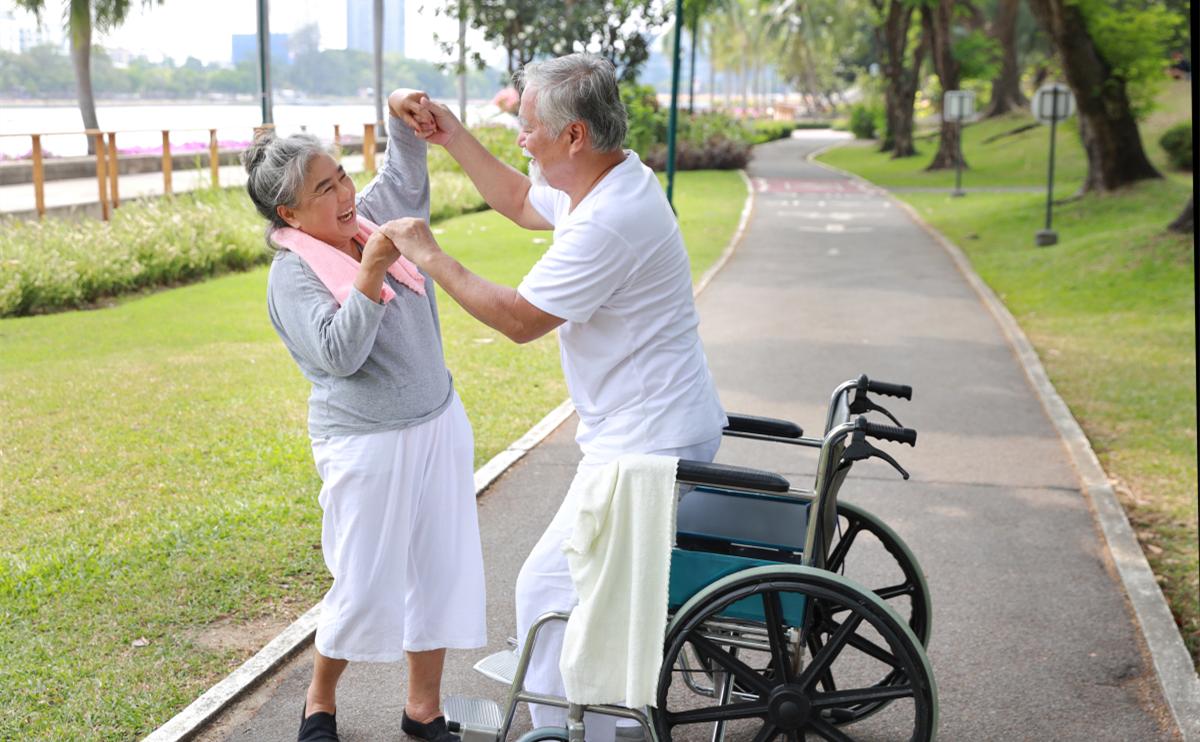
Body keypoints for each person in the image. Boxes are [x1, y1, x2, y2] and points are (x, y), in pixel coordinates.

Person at [385, 54, 727, 741]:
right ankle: (589, 720)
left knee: (546, 589)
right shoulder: (604, 182)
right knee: (576, 591)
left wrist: (429, 254)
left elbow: (518, 319)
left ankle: (569, 731)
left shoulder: (611, 219)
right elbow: (517, 200)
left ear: (574, 136)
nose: (519, 136)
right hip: (649, 425)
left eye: (528, 125)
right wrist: (451, 136)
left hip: (645, 442)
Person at [244, 89, 486, 742]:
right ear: (290, 212)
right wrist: (371, 272)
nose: (345, 192)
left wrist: (399, 110)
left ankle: (422, 709)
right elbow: (338, 355)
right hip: (366, 443)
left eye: (342, 173)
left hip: (437, 420)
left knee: (438, 567)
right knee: (362, 582)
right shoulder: (291, 275)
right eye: (326, 188)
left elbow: (405, 173)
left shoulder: (367, 218)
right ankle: (318, 703)